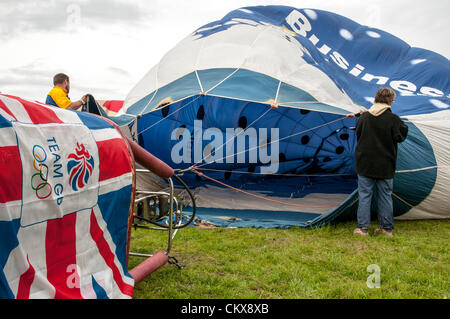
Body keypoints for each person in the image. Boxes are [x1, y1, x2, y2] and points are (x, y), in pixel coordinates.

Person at [347, 88, 408, 237]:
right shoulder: (393, 119)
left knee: (365, 195)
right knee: (385, 196)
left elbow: (358, 134)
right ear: (390, 101)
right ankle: (386, 229)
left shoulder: (364, 117)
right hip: (385, 164)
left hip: (365, 163)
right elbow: (401, 136)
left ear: (376, 99)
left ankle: (362, 229)